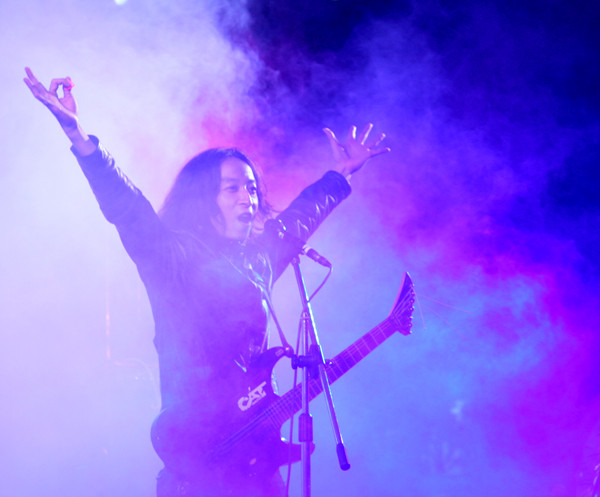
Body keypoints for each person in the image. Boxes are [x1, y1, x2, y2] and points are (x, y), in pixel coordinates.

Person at [23, 67, 390, 497]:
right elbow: (128, 208)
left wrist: (341, 174)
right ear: (204, 198)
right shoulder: (173, 257)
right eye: (232, 189)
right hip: (197, 458)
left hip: (257, 458)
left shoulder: (259, 259)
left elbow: (298, 220)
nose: (248, 198)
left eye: (251, 188)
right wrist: (79, 136)